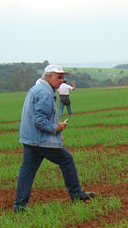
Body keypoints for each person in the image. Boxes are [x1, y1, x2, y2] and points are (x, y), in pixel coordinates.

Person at [13, 64, 94, 213]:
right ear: (49, 76)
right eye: (59, 77)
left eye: (63, 77)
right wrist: (56, 128)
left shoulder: (38, 89)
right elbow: (39, 120)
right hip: (41, 140)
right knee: (66, 159)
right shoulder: (44, 93)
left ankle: (19, 207)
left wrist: (57, 131)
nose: (62, 80)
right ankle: (76, 194)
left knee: (27, 171)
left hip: (30, 139)